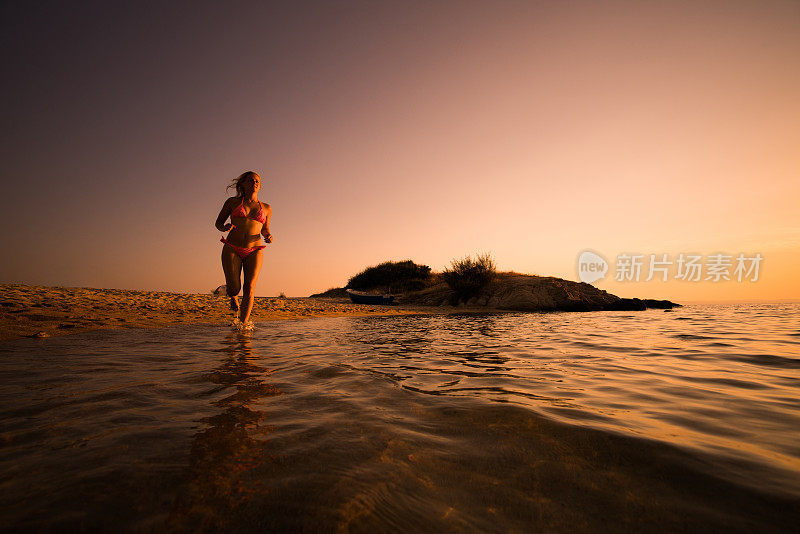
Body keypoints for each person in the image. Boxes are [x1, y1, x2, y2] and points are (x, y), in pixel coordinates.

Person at [215, 171, 273, 326]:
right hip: (232, 247)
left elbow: (265, 229)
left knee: (250, 287)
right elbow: (218, 223)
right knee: (235, 288)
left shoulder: (266, 208)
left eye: (257, 181)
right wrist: (224, 227)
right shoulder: (232, 202)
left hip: (255, 249)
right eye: (251, 180)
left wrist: (268, 235)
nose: (254, 183)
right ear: (242, 184)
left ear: (260, 186)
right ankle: (232, 296)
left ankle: (243, 325)